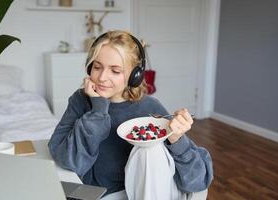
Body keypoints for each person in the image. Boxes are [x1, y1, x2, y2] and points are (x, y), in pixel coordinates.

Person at [48, 30, 213, 197]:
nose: (102, 77)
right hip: (99, 194)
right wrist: (98, 110)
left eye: (115, 71)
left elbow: (199, 180)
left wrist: (177, 139)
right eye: (97, 67)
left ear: (135, 75)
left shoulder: (150, 108)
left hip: (145, 192)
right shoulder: (80, 100)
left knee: (150, 150)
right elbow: (68, 161)